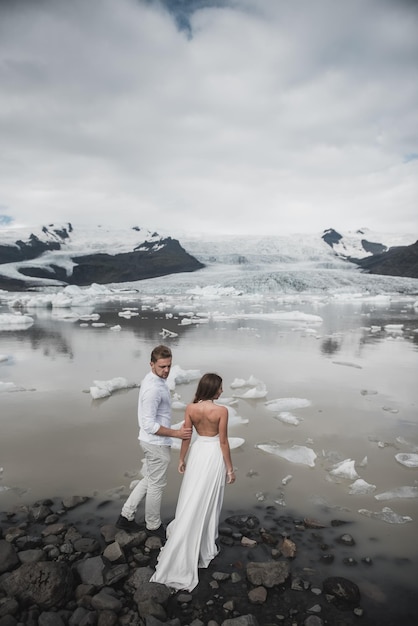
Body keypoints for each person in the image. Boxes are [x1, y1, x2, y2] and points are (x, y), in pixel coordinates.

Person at [150, 372, 236, 591]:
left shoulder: (190, 408)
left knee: (192, 496)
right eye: (220, 387)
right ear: (213, 389)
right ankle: (204, 544)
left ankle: (188, 535)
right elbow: (224, 442)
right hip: (213, 455)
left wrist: (181, 459)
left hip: (198, 454)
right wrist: (230, 468)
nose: (222, 391)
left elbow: (186, 435)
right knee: (208, 498)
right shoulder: (221, 411)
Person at [116, 345, 192, 537]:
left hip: (152, 441)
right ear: (152, 364)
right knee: (156, 485)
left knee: (150, 479)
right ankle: (153, 525)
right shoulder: (153, 389)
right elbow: (148, 424)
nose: (166, 370)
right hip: (155, 443)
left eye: (169, 366)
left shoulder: (153, 379)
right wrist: (176, 434)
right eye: (162, 366)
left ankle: (126, 516)